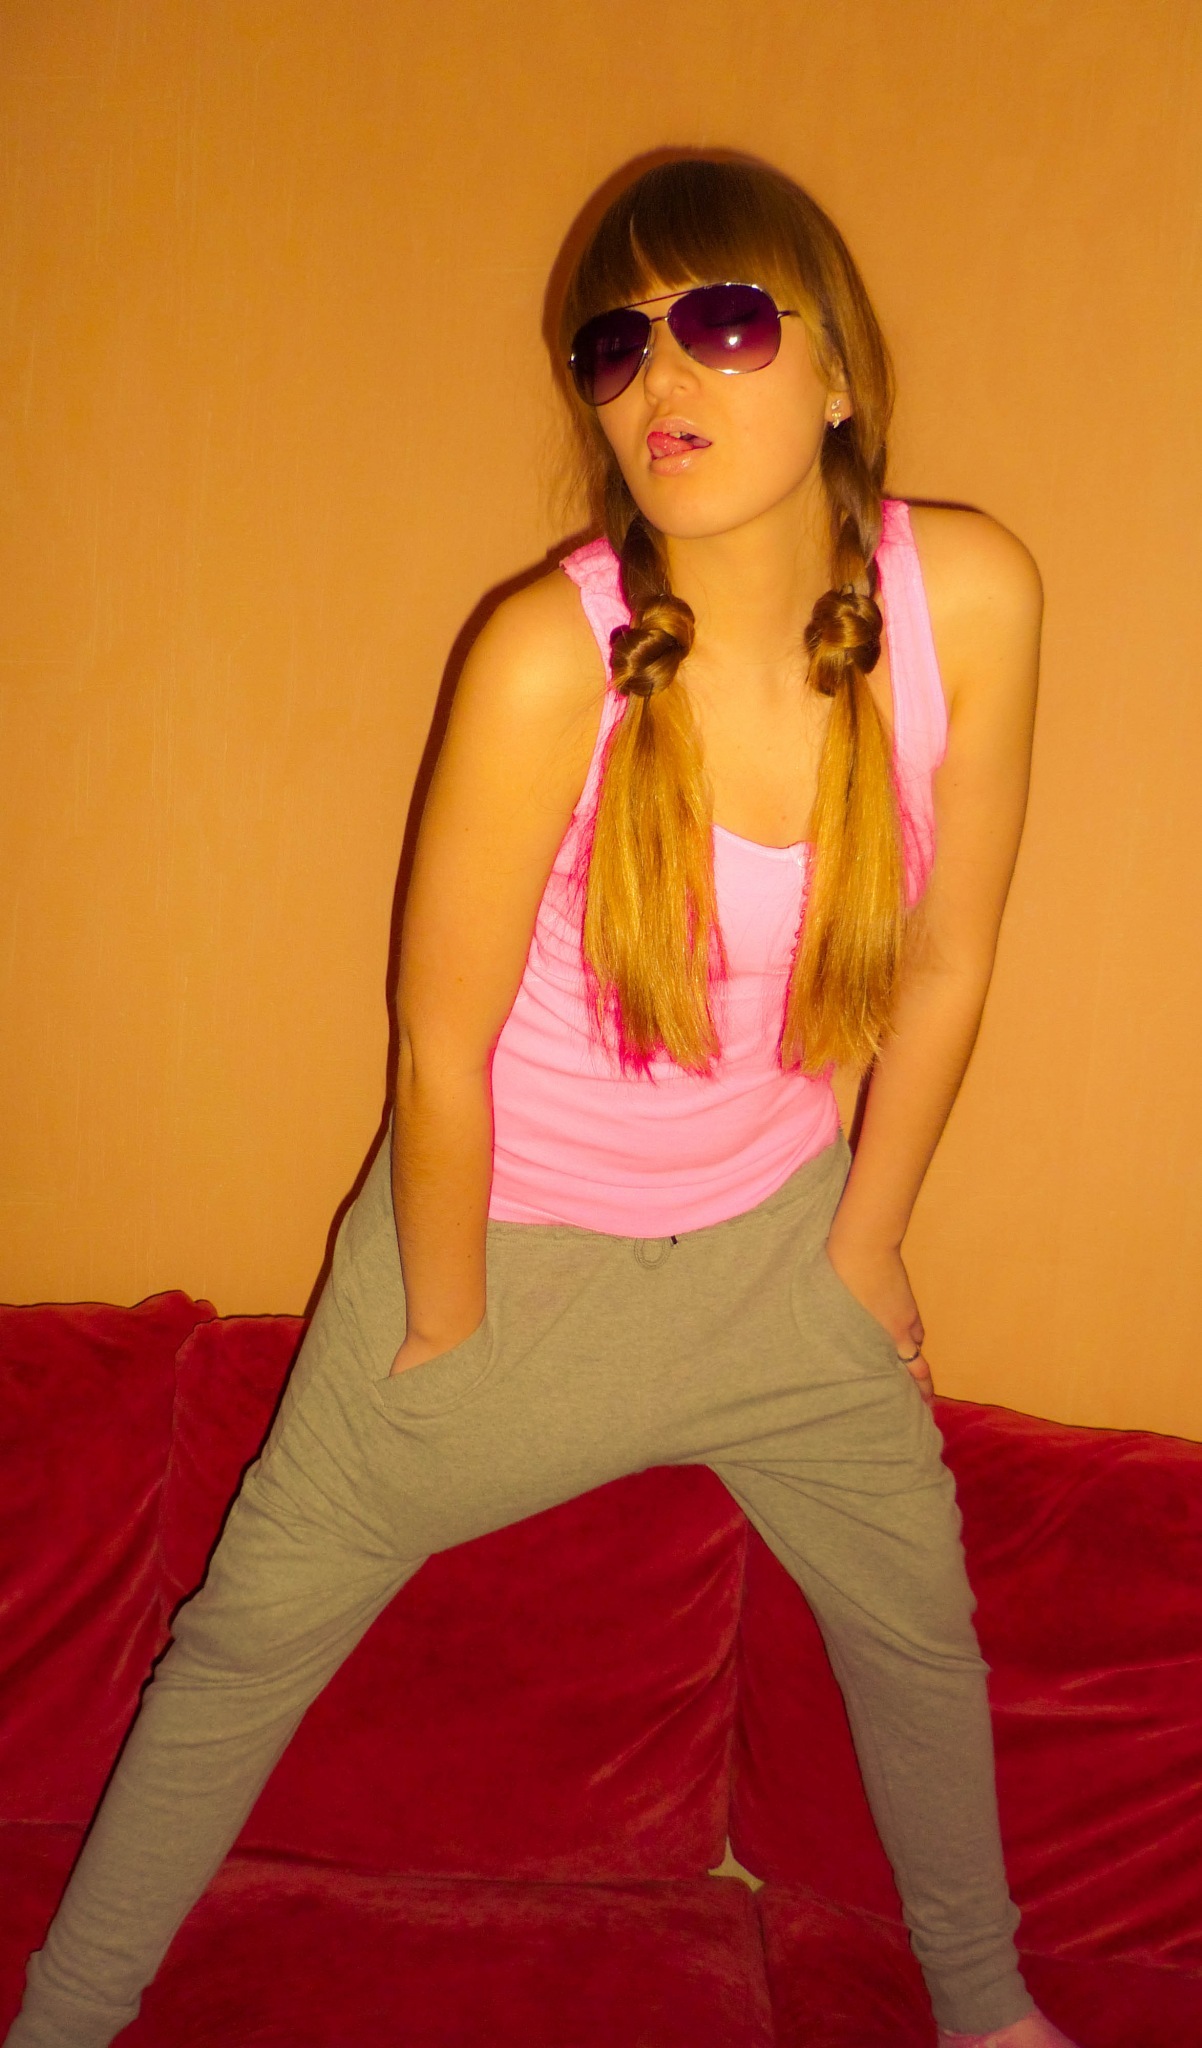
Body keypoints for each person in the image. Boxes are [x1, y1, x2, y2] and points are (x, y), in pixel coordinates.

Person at [5, 153, 1081, 2048]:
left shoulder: (968, 597)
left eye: (719, 320)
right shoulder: (546, 655)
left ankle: (989, 2017)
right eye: (613, 342)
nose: (658, 372)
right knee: (239, 1657)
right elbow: (438, 1041)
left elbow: (948, 964)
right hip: (500, 1266)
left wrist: (865, 1246)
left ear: (838, 369)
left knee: (917, 1639)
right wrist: (440, 1323)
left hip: (776, 1261)